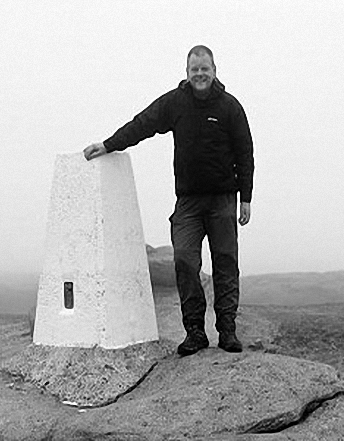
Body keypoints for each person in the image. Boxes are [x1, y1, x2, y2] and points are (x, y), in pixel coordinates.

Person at [83, 45, 254, 356]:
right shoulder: (176, 103)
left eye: (205, 69)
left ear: (215, 71)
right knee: (185, 261)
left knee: (226, 265)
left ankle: (227, 331)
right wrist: (108, 144)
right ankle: (195, 333)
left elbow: (245, 154)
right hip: (188, 203)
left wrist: (246, 198)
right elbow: (143, 124)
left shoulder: (231, 107)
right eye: (194, 70)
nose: (200, 74)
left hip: (223, 200)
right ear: (187, 73)